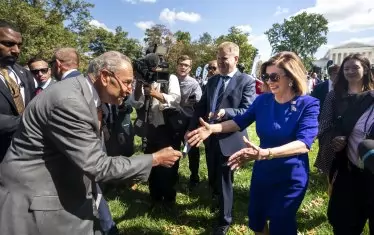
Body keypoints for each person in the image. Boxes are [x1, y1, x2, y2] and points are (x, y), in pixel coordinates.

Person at [0, 51, 182, 235]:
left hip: (63, 191)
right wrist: (154, 159)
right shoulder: (69, 102)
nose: (129, 89)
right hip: (38, 203)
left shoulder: (81, 93)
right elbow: (98, 165)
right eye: (126, 82)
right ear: (104, 77)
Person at [187, 51, 319, 235]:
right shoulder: (263, 100)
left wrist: (266, 153)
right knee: (257, 221)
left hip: (290, 176)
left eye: (274, 76)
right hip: (263, 172)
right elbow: (239, 121)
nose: (269, 81)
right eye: (266, 76)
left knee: (281, 224)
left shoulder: (309, 104)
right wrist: (212, 128)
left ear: (291, 77)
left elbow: (304, 143)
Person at [187, 41, 256, 234]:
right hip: (210, 138)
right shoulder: (213, 81)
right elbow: (201, 107)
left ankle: (224, 221)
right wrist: (191, 128)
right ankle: (217, 201)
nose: (220, 62)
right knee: (214, 175)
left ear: (236, 59)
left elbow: (247, 110)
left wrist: (226, 112)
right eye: (218, 58)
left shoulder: (246, 81)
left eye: (224, 58)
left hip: (231, 138)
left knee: (226, 179)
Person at [315, 54, 374, 234]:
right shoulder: (334, 96)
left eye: (355, 67)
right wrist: (334, 139)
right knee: (344, 223)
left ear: (365, 70)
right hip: (347, 168)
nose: (350, 71)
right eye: (346, 68)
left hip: (372, 170)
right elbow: (324, 126)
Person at [0, 20, 35, 162]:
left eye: (19, 45)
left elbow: (32, 107)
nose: (16, 50)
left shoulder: (24, 74)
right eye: (8, 44)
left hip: (24, 156)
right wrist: (30, 122)